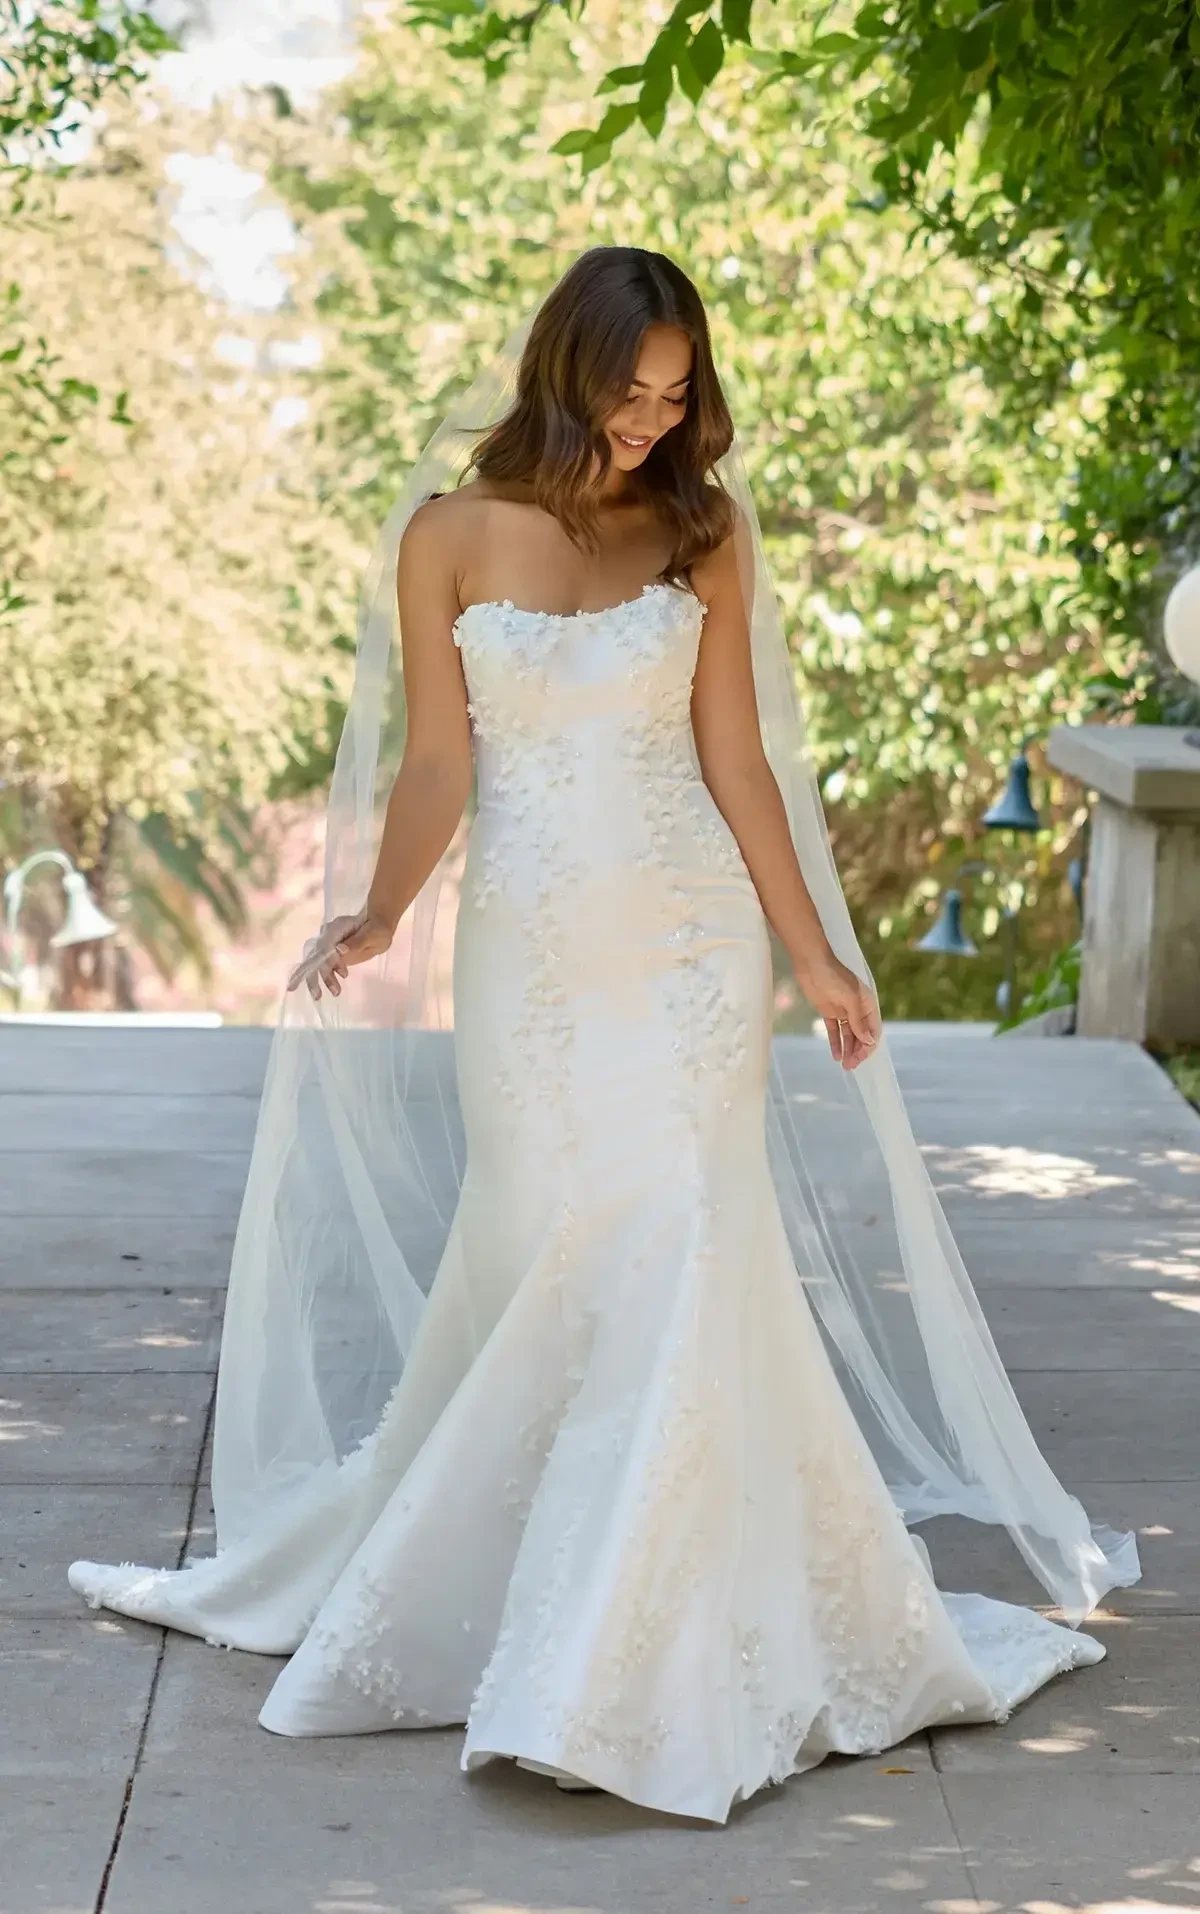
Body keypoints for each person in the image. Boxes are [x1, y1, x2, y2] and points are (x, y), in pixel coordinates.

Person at [70, 246, 1138, 1825]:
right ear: (564, 371)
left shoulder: (702, 529)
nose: (653, 420)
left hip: (691, 941)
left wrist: (818, 953)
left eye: (677, 393)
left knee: (687, 1239)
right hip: (534, 954)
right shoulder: (446, 535)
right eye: (631, 390)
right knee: (548, 1246)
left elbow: (738, 763)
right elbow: (442, 761)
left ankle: (623, 1664)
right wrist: (378, 910)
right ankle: (537, 1587)